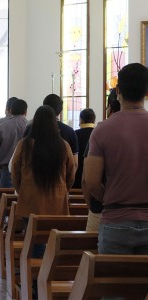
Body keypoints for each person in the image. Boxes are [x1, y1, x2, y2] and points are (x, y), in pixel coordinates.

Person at [85, 63, 148, 255]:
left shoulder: (103, 129)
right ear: (146, 91)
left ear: (118, 90)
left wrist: (112, 199)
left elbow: (92, 182)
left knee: (112, 284)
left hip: (115, 221)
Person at [12, 105, 75, 219]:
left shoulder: (24, 144)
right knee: (54, 235)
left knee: (31, 235)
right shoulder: (63, 145)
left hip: (30, 200)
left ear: (35, 122)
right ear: (54, 123)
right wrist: (63, 189)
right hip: (57, 201)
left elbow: (15, 172)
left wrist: (22, 189)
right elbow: (71, 174)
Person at [82, 89, 120, 231]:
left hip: (102, 209)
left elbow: (88, 181)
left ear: (110, 107)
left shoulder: (100, 131)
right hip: (141, 213)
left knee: (93, 252)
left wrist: (98, 204)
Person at [24, 94, 79, 171]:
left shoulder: (30, 129)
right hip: (59, 180)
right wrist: (65, 182)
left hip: (31, 180)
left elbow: (21, 159)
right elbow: (74, 163)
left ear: (44, 107)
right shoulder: (69, 131)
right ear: (60, 110)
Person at [0, 99, 28, 188]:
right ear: (25, 112)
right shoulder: (30, 126)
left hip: (6, 171)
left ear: (11, 110)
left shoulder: (2, 126)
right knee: (23, 200)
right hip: (26, 170)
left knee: (6, 199)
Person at [72, 108, 95, 188]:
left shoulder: (75, 134)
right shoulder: (97, 133)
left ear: (81, 120)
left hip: (77, 176)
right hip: (94, 176)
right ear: (93, 120)